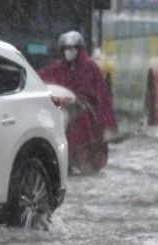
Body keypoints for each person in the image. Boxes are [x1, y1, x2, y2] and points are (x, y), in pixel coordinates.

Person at [39, 30, 117, 175]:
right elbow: (41, 78)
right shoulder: (57, 68)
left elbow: (100, 95)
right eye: (66, 48)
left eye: (73, 48)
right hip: (58, 107)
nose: (69, 52)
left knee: (81, 126)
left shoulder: (90, 67)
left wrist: (78, 100)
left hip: (84, 109)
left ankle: (83, 162)